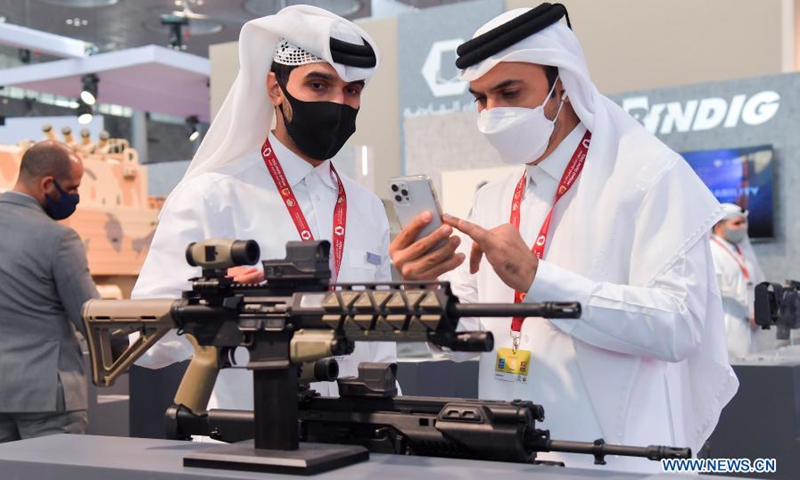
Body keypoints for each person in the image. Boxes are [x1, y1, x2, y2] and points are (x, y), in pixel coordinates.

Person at [389, 4, 737, 472]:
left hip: (621, 455)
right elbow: (468, 335)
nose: (493, 112)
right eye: (481, 98)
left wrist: (538, 279)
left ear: (563, 87)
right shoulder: (493, 199)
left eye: (509, 92)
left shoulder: (650, 177)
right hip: (509, 453)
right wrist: (425, 294)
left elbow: (679, 327)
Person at [132, 5, 396, 410]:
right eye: (319, 85)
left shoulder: (367, 208)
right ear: (276, 88)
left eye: (351, 91)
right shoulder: (212, 196)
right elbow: (142, 343)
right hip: (244, 442)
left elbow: (378, 349)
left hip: (354, 441)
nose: (337, 103)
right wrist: (217, 311)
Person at [0, 141, 98, 442]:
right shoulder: (59, 238)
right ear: (46, 183)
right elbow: (90, 316)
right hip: (48, 396)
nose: (75, 197)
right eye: (71, 187)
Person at [710, 203, 765, 358]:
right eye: (736, 223)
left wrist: (760, 311)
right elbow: (722, 289)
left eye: (743, 222)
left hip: (752, 323)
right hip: (729, 320)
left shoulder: (742, 250)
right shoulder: (712, 251)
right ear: (720, 227)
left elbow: (758, 281)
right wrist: (749, 312)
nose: (742, 227)